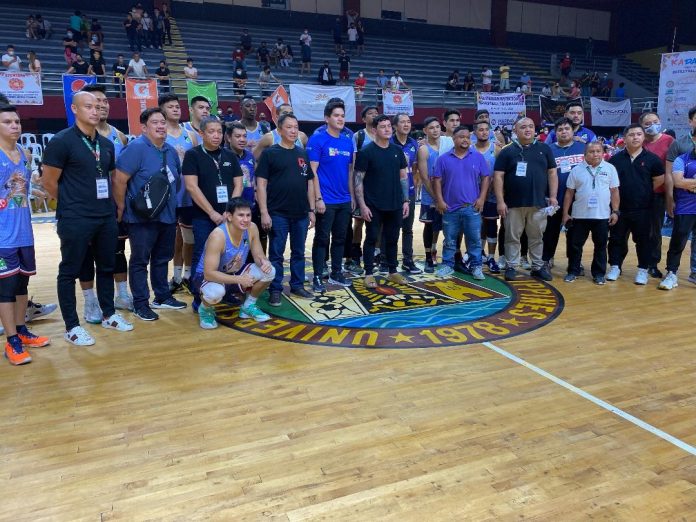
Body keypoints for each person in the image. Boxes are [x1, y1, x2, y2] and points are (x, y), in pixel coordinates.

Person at [42, 91, 134, 346]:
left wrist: (116, 206)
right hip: (75, 217)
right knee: (69, 271)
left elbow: (111, 178)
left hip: (105, 215)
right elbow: (49, 182)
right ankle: (71, 327)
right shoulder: (61, 141)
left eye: (98, 106)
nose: (95, 110)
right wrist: (73, 202)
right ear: (74, 109)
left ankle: (109, 314)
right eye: (88, 106)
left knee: (106, 266)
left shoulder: (105, 144)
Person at [112, 108, 185, 321]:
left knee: (163, 257)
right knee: (140, 260)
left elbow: (176, 179)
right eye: (155, 122)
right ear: (144, 127)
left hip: (168, 215)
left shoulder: (170, 151)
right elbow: (119, 180)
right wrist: (120, 208)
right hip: (141, 217)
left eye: (163, 122)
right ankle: (140, 303)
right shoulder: (135, 148)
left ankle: (161, 296)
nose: (161, 126)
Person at [0, 104, 50, 365]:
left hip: (23, 233)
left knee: (21, 285)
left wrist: (38, 191)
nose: (14, 126)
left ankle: (21, 330)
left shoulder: (23, 152)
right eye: (7, 122)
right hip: (2, 238)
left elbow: (21, 187)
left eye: (17, 122)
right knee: (5, 288)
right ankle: (11, 341)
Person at [77, 84, 131, 318]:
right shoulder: (75, 138)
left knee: (117, 251)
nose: (102, 105)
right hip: (85, 208)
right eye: (96, 102)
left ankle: (122, 294)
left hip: (112, 206)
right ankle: (90, 301)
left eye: (105, 101)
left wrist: (121, 202)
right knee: (86, 255)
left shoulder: (119, 137)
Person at [183, 117, 243, 310]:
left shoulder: (229, 155)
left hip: (228, 217)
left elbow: (238, 184)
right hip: (204, 217)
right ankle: (198, 296)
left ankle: (225, 292)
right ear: (202, 133)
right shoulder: (193, 155)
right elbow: (192, 187)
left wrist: (228, 212)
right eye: (211, 131)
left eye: (219, 131)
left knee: (229, 256)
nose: (216, 135)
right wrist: (211, 213)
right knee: (201, 254)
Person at [256, 113, 315, 305]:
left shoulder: (302, 153)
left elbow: (309, 183)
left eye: (296, 127)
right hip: (277, 213)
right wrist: (264, 212)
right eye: (289, 127)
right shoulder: (270, 153)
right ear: (280, 130)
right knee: (276, 254)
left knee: (299, 252)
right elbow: (261, 185)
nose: (293, 130)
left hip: (301, 213)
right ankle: (275, 288)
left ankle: (297, 285)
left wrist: (312, 209)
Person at [494, 117, 558, 281]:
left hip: (538, 203)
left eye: (531, 126)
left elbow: (552, 173)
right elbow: (498, 176)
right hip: (513, 204)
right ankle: (511, 266)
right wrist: (500, 201)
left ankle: (537, 267)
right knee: (512, 237)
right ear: (515, 130)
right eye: (523, 127)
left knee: (536, 237)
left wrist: (552, 196)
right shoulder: (507, 151)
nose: (528, 129)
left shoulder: (545, 149)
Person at [193, 198, 274, 328]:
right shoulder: (218, 235)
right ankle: (205, 310)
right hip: (206, 277)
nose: (246, 219)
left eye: (248, 215)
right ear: (230, 217)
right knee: (215, 292)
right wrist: (239, 279)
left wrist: (264, 262)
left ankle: (248, 306)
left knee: (270, 271)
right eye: (241, 215)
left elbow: (259, 255)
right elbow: (209, 274)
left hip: (234, 274)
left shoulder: (252, 228)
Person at [354, 114, 410, 287]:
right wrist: (362, 205)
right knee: (371, 238)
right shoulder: (366, 152)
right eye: (382, 126)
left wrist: (406, 200)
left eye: (388, 126)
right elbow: (358, 181)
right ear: (373, 130)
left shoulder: (397, 151)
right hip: (373, 205)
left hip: (395, 204)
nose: (387, 129)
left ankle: (392, 271)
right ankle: (369, 273)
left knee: (392, 238)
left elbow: (403, 177)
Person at [606, 123, 665, 284]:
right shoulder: (615, 159)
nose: (635, 137)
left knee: (644, 240)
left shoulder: (653, 159)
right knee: (616, 239)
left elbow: (659, 180)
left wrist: (642, 191)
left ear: (643, 137)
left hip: (644, 209)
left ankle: (642, 270)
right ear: (624, 139)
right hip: (620, 209)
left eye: (639, 134)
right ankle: (615, 266)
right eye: (631, 134)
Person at [307, 101, 355, 293]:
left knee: (340, 239)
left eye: (342, 115)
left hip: (344, 200)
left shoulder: (347, 140)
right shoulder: (317, 140)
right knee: (322, 239)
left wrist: (351, 196)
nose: (340, 118)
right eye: (336, 115)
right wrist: (318, 198)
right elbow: (313, 172)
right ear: (327, 118)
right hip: (325, 200)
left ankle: (336, 272)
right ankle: (318, 275)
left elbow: (350, 171)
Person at [432, 125, 490, 279]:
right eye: (461, 137)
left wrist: (482, 198)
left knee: (474, 240)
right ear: (453, 139)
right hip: (450, 208)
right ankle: (447, 265)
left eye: (467, 137)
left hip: (472, 207)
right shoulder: (443, 159)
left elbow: (486, 177)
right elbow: (436, 180)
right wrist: (440, 200)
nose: (465, 140)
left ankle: (476, 266)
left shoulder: (477, 157)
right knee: (449, 240)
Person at [562, 142, 620, 284]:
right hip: (579, 215)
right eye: (592, 151)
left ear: (602, 153)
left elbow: (614, 191)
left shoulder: (610, 168)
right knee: (575, 245)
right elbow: (569, 193)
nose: (595, 154)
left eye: (598, 151)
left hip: (602, 216)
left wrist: (615, 211)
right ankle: (573, 271)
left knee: (600, 246)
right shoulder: (576, 170)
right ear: (585, 154)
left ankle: (599, 274)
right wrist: (565, 213)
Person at [160, 94, 198, 293]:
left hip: (187, 195)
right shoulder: (159, 132)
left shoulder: (189, 134)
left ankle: (187, 276)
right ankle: (174, 276)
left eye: (177, 106)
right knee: (169, 239)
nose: (176, 109)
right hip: (165, 196)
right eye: (171, 107)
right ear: (162, 110)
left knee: (188, 238)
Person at [542, 117, 586, 271]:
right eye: (560, 129)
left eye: (567, 128)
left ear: (572, 130)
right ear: (555, 132)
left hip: (577, 200)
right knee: (550, 232)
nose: (564, 132)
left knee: (575, 235)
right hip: (554, 200)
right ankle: (546, 259)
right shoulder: (548, 150)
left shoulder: (583, 148)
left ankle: (575, 262)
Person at [640, 111, 675, 278]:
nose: (651, 125)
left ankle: (653, 264)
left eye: (654, 121)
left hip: (658, 194)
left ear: (660, 121)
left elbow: (672, 170)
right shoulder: (639, 141)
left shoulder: (669, 141)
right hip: (639, 194)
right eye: (647, 123)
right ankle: (636, 263)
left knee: (655, 231)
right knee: (638, 230)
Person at [417, 117, 454, 273]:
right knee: (430, 225)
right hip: (430, 195)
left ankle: (442, 254)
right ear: (425, 130)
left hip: (447, 192)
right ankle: (427, 258)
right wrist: (436, 197)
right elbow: (425, 178)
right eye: (431, 128)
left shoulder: (448, 144)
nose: (435, 130)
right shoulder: (424, 149)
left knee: (445, 227)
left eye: (437, 127)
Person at [659, 142, 696, 290]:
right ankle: (671, 273)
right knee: (678, 241)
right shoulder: (682, 159)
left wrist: (690, 183)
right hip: (686, 208)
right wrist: (684, 183)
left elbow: (685, 181)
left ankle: (694, 273)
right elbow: (679, 182)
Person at [390, 113, 421, 274]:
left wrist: (413, 185)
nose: (406, 124)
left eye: (408, 121)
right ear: (394, 126)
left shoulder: (413, 144)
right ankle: (388, 260)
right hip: (391, 192)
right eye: (402, 122)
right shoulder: (388, 142)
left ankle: (408, 260)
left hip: (408, 193)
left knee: (408, 229)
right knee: (390, 228)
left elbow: (415, 169)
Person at [472, 119, 502, 273]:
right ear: (475, 133)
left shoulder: (496, 149)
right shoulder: (469, 149)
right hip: (473, 195)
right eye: (480, 129)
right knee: (475, 227)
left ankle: (491, 257)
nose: (484, 132)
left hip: (491, 195)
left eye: (486, 129)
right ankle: (477, 255)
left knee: (491, 226)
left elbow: (500, 173)